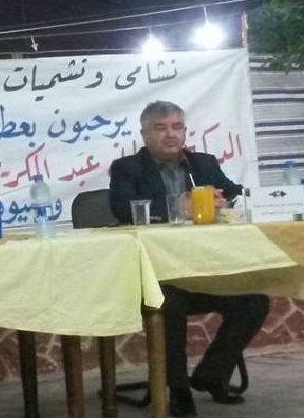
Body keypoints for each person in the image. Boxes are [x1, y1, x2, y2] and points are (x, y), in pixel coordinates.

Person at [108, 101, 270, 418]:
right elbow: (123, 209)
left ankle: (211, 375)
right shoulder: (127, 168)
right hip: (155, 279)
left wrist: (227, 201)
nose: (171, 134)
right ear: (144, 135)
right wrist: (176, 206)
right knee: (169, 303)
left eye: (177, 127)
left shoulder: (203, 163)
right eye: (161, 128)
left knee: (254, 302)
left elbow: (234, 193)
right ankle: (178, 389)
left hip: (202, 273)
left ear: (185, 131)